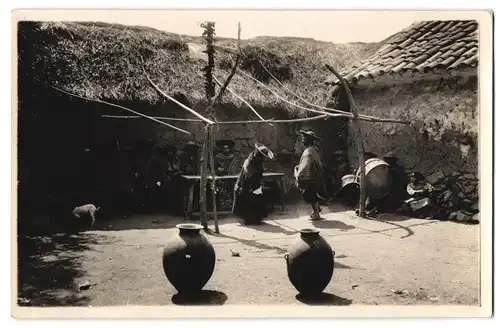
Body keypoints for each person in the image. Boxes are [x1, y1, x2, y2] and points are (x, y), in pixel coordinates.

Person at [232, 143, 274, 225]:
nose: (264, 159)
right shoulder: (250, 162)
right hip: (247, 183)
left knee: (255, 199)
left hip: (252, 182)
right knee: (252, 199)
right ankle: (252, 219)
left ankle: (255, 218)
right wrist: (257, 188)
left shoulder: (255, 160)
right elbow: (251, 176)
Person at [294, 130, 329, 220]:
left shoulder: (309, 151)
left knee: (309, 195)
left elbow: (307, 165)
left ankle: (317, 213)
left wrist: (299, 173)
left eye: (305, 138)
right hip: (313, 176)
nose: (303, 139)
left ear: (309, 140)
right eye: (303, 137)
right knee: (311, 195)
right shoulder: (312, 150)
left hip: (311, 177)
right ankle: (317, 210)